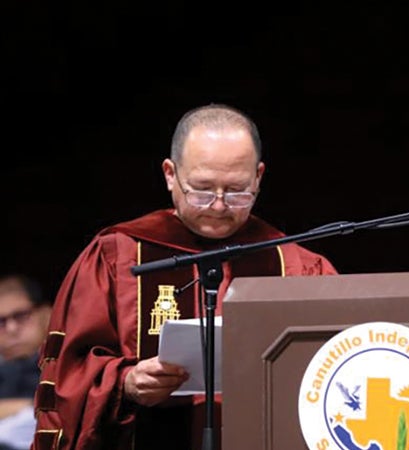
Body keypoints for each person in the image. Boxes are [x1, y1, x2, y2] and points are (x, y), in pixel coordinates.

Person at [30, 104, 338, 450]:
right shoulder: (117, 256)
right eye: (202, 190)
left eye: (237, 190)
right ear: (170, 175)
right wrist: (126, 382)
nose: (219, 206)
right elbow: (69, 373)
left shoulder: (295, 264)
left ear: (259, 177)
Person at [0, 274, 51, 450]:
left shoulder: (64, 363)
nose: (11, 329)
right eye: (1, 322)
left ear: (46, 314)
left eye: (21, 316)